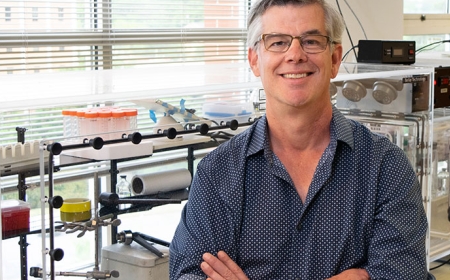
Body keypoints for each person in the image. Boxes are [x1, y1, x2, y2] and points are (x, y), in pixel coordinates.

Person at [169, 0, 429, 279]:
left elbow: (403, 275)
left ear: (334, 59)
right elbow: (188, 274)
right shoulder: (218, 174)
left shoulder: (385, 167)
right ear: (255, 60)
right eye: (278, 42)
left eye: (311, 41)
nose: (295, 54)